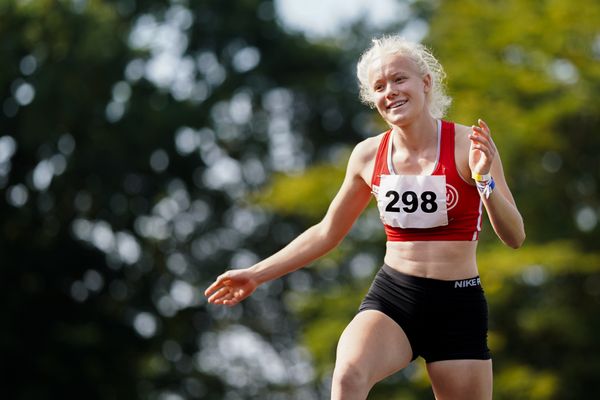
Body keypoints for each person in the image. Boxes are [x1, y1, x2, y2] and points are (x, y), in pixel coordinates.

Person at [204, 35, 525, 400]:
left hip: (458, 305)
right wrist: (256, 274)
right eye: (379, 86)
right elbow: (327, 232)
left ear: (425, 82)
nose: (391, 92)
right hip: (395, 298)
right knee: (348, 377)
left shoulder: (470, 145)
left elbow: (515, 236)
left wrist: (485, 181)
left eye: (399, 79)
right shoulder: (367, 156)